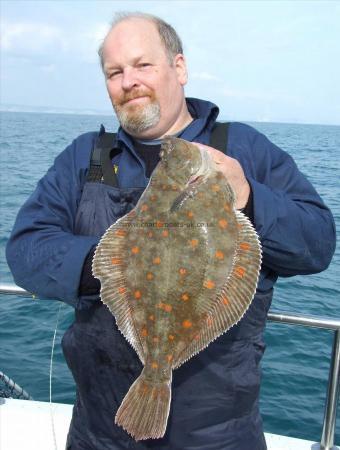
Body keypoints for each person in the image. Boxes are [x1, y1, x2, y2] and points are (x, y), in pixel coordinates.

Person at [6, 12, 336, 450]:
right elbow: (26, 250)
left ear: (179, 68)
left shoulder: (245, 149)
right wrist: (114, 268)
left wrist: (249, 195)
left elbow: (317, 244)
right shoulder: (89, 156)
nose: (129, 81)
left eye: (143, 65)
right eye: (115, 72)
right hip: (99, 429)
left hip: (218, 434)